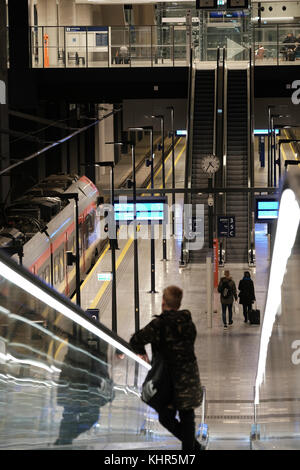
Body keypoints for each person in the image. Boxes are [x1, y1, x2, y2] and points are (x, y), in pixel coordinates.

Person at [129, 285, 203, 452]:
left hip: (167, 381)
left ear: (163, 303)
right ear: (178, 303)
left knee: (165, 417)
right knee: (187, 417)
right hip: (188, 379)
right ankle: (192, 450)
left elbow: (136, 340)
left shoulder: (158, 325)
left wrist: (142, 353)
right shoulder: (189, 324)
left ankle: (195, 448)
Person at [54, 333, 114, 446]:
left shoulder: (80, 347)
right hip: (79, 385)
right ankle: (64, 440)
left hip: (78, 385)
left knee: (73, 415)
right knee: (75, 415)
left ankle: (64, 440)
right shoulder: (80, 346)